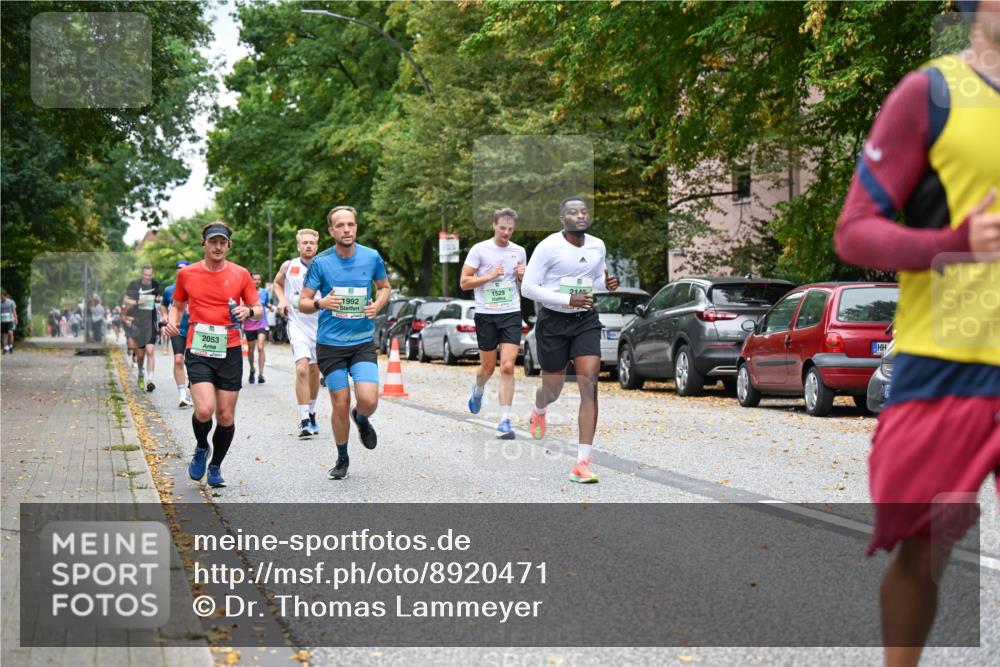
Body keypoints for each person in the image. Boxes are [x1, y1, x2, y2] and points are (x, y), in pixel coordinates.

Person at [834, 3, 1000, 664]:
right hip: (947, 361)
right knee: (928, 543)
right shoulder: (930, 93)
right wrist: (953, 242)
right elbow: (854, 230)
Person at [521, 196, 619, 484]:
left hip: (586, 320)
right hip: (552, 322)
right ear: (561, 218)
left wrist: (606, 285)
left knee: (589, 382)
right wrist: (567, 299)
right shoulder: (548, 247)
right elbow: (528, 287)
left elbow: (594, 281)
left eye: (584, 211)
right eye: (573, 212)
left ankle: (581, 462)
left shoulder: (597, 245)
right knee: (553, 389)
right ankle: (540, 409)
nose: (580, 215)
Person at [164, 222, 263, 488]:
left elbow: (258, 307)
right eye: (213, 242)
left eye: (222, 242)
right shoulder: (188, 274)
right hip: (199, 347)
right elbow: (177, 305)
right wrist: (172, 321)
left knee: (226, 416)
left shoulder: (240, 274)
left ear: (228, 245)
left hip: (229, 348)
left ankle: (216, 465)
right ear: (203, 243)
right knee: (205, 409)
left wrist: (248, 312)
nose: (217, 246)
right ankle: (200, 447)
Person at [299, 206, 391, 480]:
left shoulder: (371, 257)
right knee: (340, 402)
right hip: (330, 345)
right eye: (340, 225)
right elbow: (302, 302)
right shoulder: (321, 262)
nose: (347, 229)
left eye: (351, 224)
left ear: (356, 227)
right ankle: (342, 458)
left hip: (361, 342)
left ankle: (361, 418)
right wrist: (320, 302)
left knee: (368, 400)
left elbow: (384, 287)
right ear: (331, 231)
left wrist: (378, 305)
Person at [460, 207, 527, 439]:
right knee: (487, 369)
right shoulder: (480, 250)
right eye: (502, 228)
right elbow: (464, 282)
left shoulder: (519, 251)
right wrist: (489, 276)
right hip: (486, 314)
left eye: (510, 228)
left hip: (511, 312)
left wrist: (521, 275)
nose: (506, 232)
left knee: (507, 366)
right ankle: (478, 390)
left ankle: (505, 420)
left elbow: (523, 287)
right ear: (494, 226)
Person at [274, 229, 322, 438]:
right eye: (305, 243)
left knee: (314, 372)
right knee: (302, 369)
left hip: (320, 325)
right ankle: (303, 420)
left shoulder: (324, 266)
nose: (308, 246)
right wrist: (282, 300)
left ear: (317, 246)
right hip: (297, 324)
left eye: (312, 243)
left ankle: (311, 412)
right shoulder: (289, 265)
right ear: (298, 246)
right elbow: (277, 283)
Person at [161, 260, 194, 408]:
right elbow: (163, 306)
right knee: (179, 359)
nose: (182, 270)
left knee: (193, 363)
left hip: (195, 330)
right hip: (178, 329)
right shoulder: (169, 290)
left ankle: (192, 390)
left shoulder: (196, 288)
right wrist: (165, 318)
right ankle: (182, 394)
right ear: (176, 271)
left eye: (186, 268)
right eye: (180, 268)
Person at [124, 265, 160, 392]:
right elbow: (126, 300)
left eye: (150, 275)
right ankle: (140, 372)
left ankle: (150, 380)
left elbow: (159, 298)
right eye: (145, 275)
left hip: (150, 322)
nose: (148, 277)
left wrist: (159, 299)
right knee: (140, 355)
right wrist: (138, 302)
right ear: (141, 274)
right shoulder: (134, 285)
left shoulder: (155, 285)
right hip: (138, 323)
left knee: (150, 351)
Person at [243, 271, 270, 384]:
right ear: (250, 280)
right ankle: (252, 369)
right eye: (254, 279)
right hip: (249, 325)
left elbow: (266, 303)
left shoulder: (264, 292)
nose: (257, 281)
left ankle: (261, 374)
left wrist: (271, 306)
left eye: (258, 279)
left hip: (262, 323)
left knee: (260, 347)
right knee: (250, 350)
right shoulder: (245, 292)